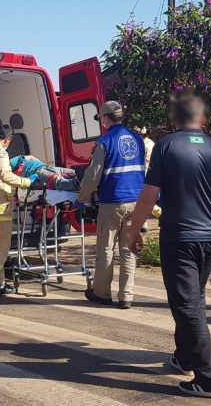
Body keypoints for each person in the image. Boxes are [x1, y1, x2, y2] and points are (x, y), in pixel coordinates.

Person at [127, 94, 211, 399]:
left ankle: (209, 378)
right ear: (203, 120)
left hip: (179, 237)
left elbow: (149, 194)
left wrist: (135, 230)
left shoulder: (167, 146)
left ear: (175, 119)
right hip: (210, 238)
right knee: (194, 298)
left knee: (186, 305)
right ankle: (184, 356)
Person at [78, 101, 145, 310]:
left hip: (112, 203)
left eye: (101, 118)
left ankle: (102, 293)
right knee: (128, 250)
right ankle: (127, 296)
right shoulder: (137, 139)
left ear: (106, 118)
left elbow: (92, 176)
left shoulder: (104, 142)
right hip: (136, 201)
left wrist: (81, 198)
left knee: (106, 249)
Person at [0, 125, 37, 295]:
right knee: (0, 245)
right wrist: (27, 182)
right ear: (8, 138)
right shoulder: (1, 152)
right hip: (1, 205)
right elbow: (5, 175)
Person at [10, 154, 80, 191]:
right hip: (37, 172)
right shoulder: (8, 173)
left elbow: (30, 157)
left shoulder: (10, 163)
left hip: (44, 167)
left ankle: (82, 176)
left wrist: (41, 163)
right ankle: (78, 185)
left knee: (70, 172)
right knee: (56, 180)